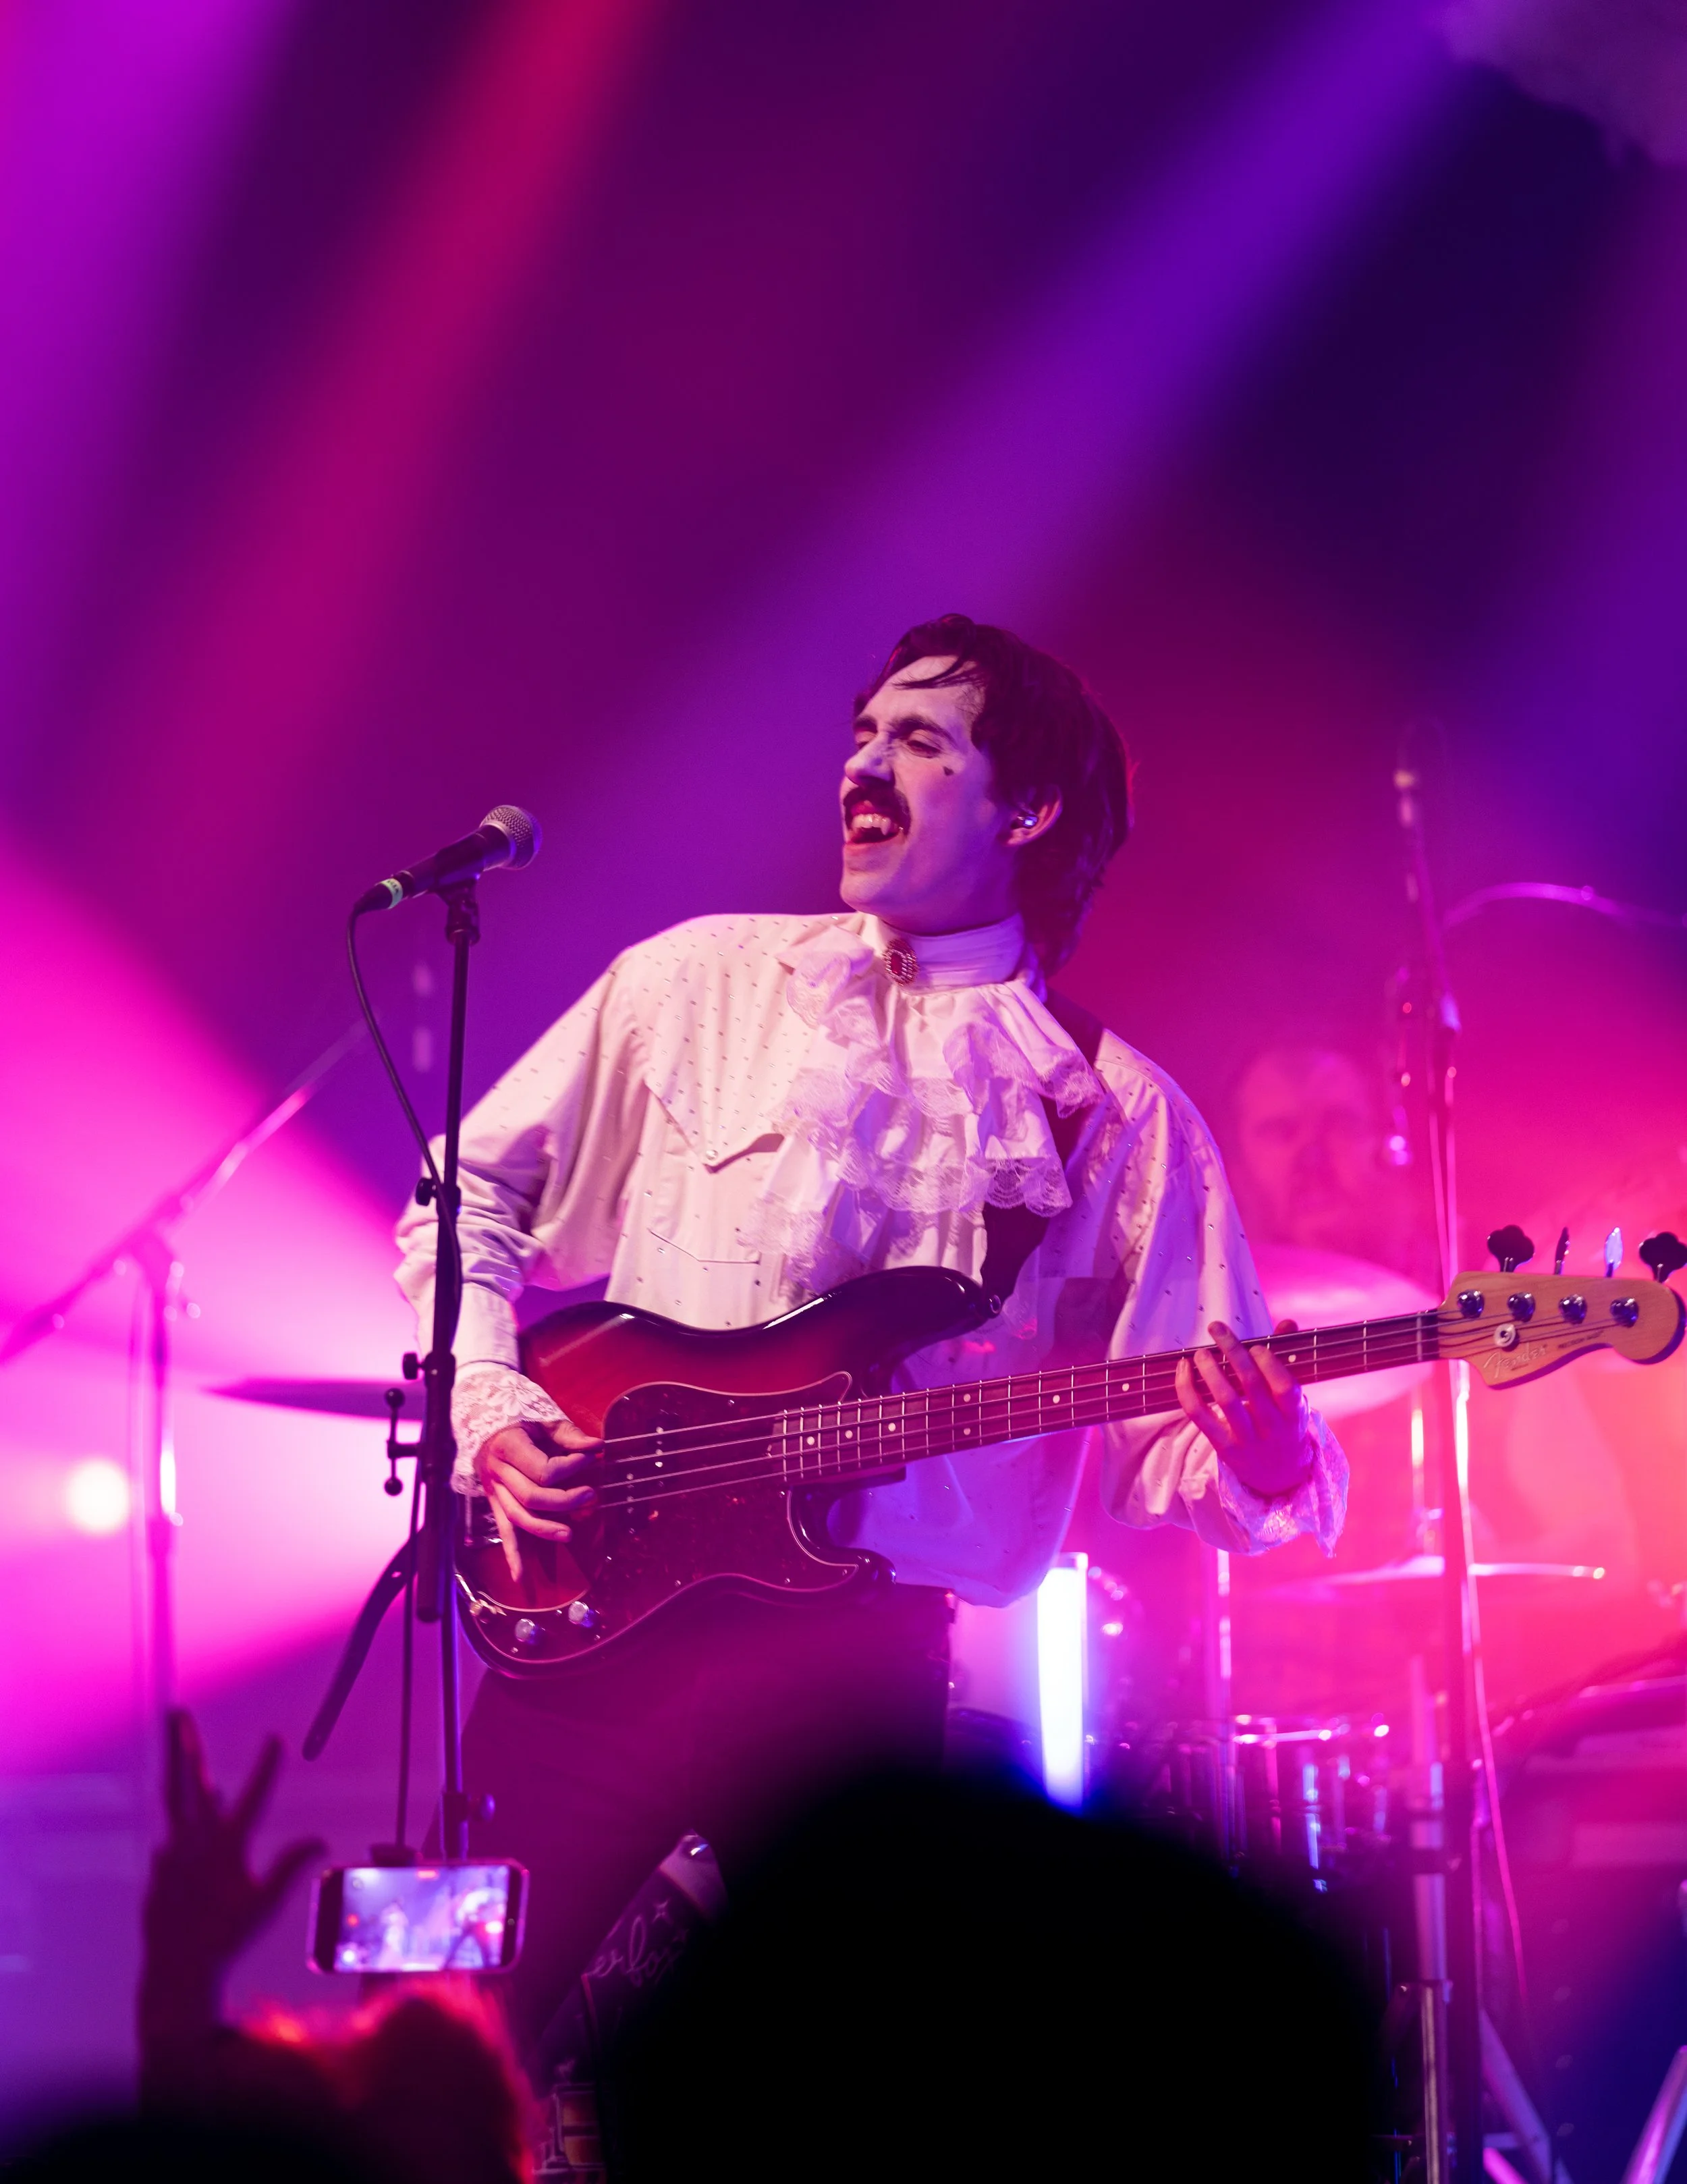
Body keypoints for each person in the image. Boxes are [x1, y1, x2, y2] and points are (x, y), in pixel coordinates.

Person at [393, 612, 1349, 2042]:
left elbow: (1175, 1449)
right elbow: (465, 1181)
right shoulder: (695, 984)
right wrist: (490, 1407)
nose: (860, 761)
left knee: (850, 2089)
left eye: (917, 738)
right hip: (588, 1615)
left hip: (852, 1674)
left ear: (1024, 808)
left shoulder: (1115, 1113)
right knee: (447, 2049)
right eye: (859, 729)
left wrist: (1265, 1456)